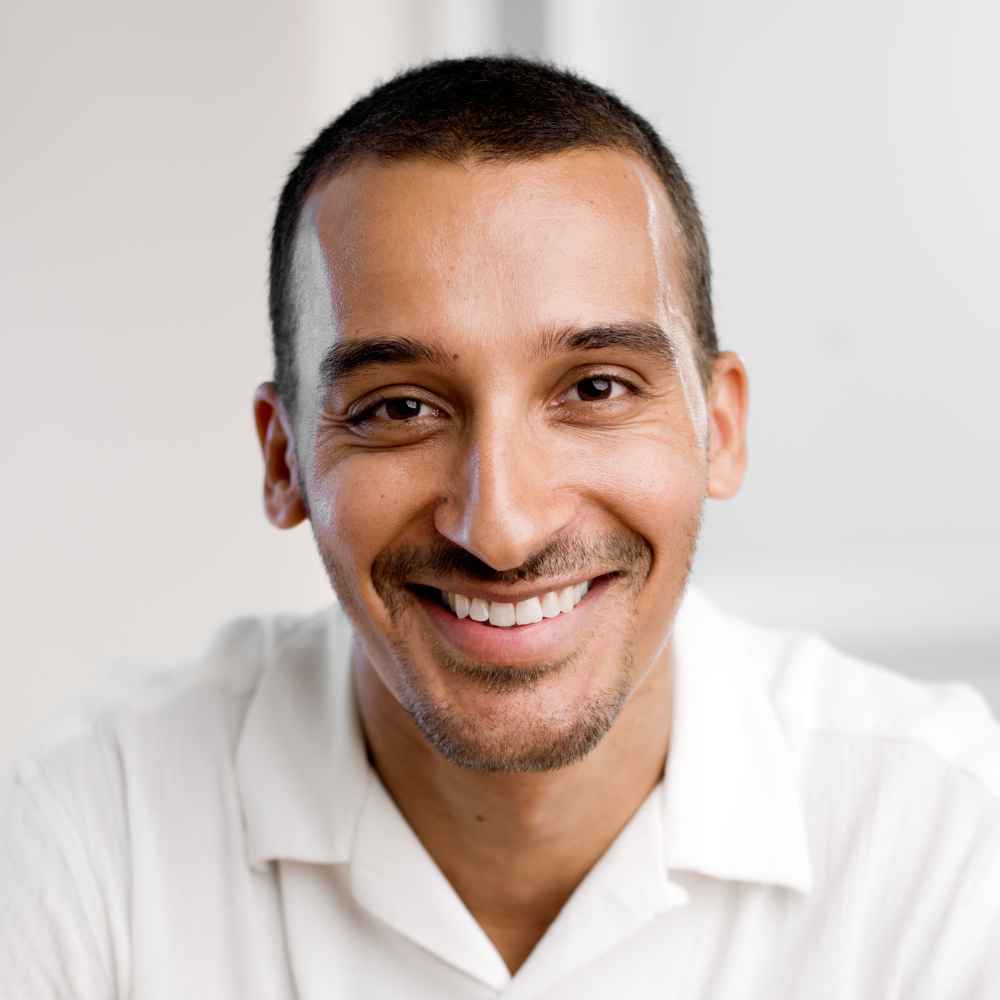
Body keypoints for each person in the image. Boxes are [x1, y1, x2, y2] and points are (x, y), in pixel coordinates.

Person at [2, 55, 998, 999]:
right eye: (399, 408)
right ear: (283, 459)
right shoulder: (88, 836)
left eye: (595, 388)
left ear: (719, 428)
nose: (503, 529)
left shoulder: (950, 839)